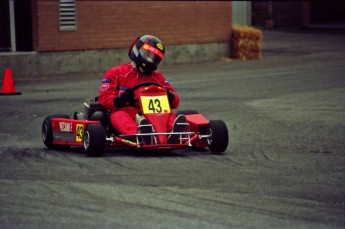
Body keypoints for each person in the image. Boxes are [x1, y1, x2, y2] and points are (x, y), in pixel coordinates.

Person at [98, 35, 186, 144]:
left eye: (155, 58)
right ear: (137, 50)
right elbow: (104, 98)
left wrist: (170, 96)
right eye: (148, 55)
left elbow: (175, 102)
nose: (151, 60)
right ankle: (140, 134)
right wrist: (121, 98)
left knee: (168, 114)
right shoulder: (116, 73)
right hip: (126, 112)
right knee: (119, 116)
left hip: (153, 115)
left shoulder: (157, 77)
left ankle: (173, 133)